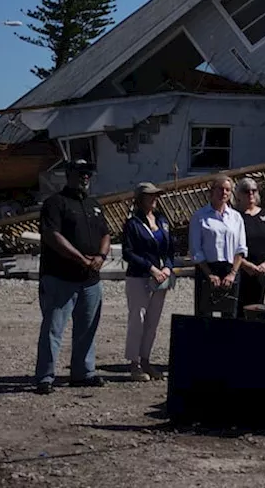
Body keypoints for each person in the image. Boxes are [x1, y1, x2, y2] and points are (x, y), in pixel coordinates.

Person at [34, 159, 112, 395]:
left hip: (90, 279)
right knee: (53, 330)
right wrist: (81, 258)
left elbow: (106, 233)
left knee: (87, 328)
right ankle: (45, 377)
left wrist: (100, 255)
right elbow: (53, 236)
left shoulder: (93, 204)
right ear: (68, 174)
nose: (85, 177)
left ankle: (83, 373)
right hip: (60, 277)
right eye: (80, 173)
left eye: (87, 173)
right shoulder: (55, 203)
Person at [121, 182, 174, 382]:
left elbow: (170, 248)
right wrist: (150, 268)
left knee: (153, 321)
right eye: (150, 196)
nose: (154, 199)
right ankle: (133, 362)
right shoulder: (132, 223)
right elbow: (128, 252)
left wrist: (167, 267)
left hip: (161, 277)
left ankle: (145, 359)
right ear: (140, 199)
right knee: (138, 319)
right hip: (139, 276)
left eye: (155, 195)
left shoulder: (162, 220)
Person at [189, 176, 249, 318]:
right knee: (204, 316)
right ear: (212, 191)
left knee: (229, 316)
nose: (224, 193)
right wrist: (209, 274)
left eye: (227, 190)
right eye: (220, 189)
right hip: (207, 269)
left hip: (230, 270)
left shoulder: (236, 217)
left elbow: (241, 248)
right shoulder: (199, 216)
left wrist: (233, 273)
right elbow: (196, 249)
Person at [236, 177, 265, 310]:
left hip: (262, 270)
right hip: (241, 269)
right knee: (239, 309)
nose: (250, 194)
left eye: (253, 190)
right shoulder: (235, 216)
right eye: (246, 191)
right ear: (239, 194)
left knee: (258, 308)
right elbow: (229, 243)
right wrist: (244, 264)